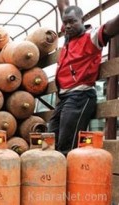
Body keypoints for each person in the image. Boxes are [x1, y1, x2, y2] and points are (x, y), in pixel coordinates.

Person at [48, 0, 119, 155]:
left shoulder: (91, 36)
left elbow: (111, 27)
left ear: (82, 20)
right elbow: (64, 7)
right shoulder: (69, 34)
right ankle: (53, 175)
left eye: (72, 22)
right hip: (64, 98)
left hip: (79, 96)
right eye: (65, 23)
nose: (67, 26)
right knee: (51, 138)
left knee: (67, 145)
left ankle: (69, 178)